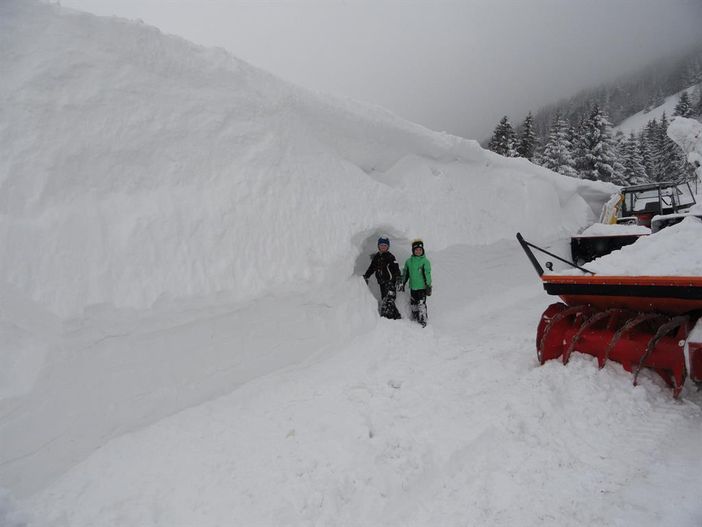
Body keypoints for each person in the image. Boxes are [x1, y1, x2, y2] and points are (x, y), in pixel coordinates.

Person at [363, 236, 402, 319]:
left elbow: (396, 268)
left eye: (385, 245)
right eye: (381, 245)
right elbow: (372, 268)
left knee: (389, 299)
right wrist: (366, 276)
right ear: (378, 246)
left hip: (390, 282)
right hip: (382, 283)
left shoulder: (390, 257)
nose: (383, 247)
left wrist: (398, 277)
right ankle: (396, 316)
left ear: (388, 247)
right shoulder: (377, 257)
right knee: (385, 298)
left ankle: (386, 316)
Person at [401, 239, 432, 327]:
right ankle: (415, 315)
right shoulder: (408, 261)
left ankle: (422, 318)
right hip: (413, 287)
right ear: (413, 251)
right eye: (416, 250)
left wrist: (429, 285)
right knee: (414, 303)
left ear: (423, 250)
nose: (418, 251)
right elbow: (406, 274)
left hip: (422, 287)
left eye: (420, 250)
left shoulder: (425, 261)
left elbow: (428, 274)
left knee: (421, 303)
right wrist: (403, 282)